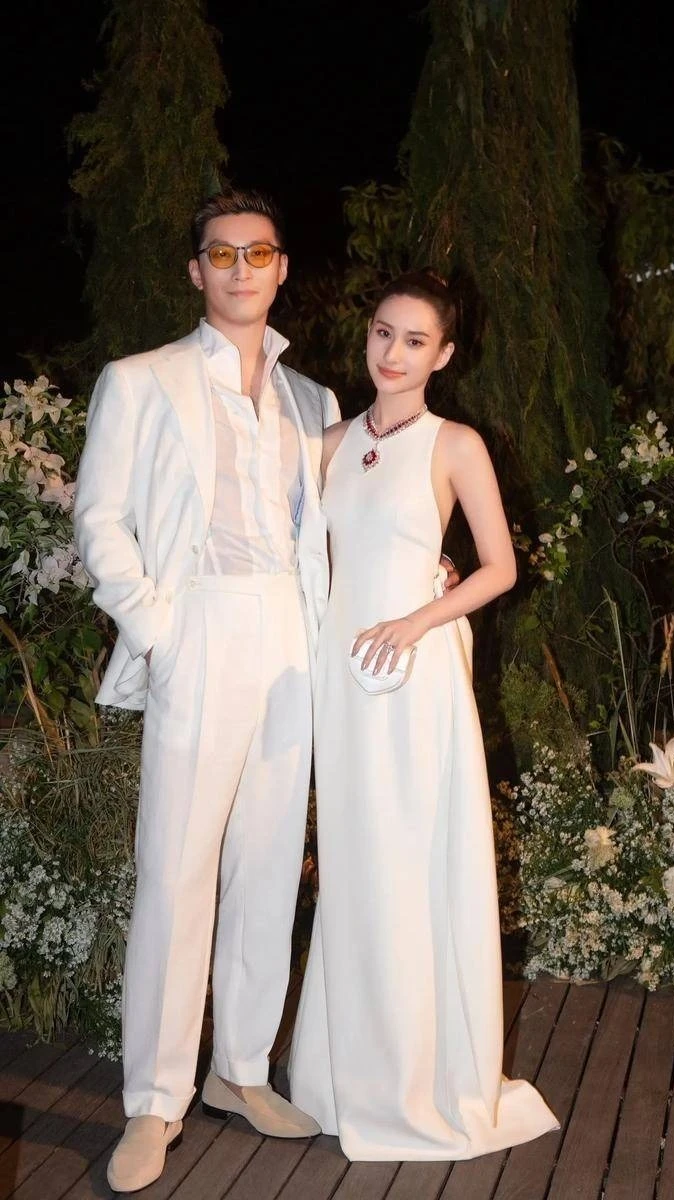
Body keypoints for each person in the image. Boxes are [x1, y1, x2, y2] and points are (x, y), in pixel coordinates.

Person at [74, 188, 337, 1193]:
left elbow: (336, 528)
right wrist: (160, 630)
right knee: (176, 873)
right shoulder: (140, 381)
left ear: (281, 268)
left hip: (290, 639)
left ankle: (239, 1070)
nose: (239, 270)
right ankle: (154, 1102)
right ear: (196, 272)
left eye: (257, 253)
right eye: (220, 255)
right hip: (199, 628)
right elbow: (100, 519)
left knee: (268, 867)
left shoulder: (313, 401)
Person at [288, 271, 559, 1160]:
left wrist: (418, 617)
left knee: (410, 855)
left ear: (443, 355)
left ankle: (419, 1077)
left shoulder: (455, 443)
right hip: (342, 676)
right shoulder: (328, 443)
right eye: (382, 332)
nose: (393, 353)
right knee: (355, 860)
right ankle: (346, 1075)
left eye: (414, 341)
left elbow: (500, 568)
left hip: (415, 671)